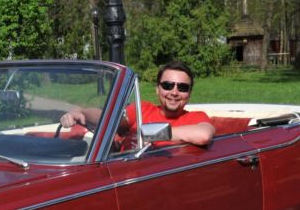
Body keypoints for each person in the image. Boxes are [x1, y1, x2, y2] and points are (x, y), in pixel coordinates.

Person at [59, 60, 215, 147]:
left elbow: (204, 135)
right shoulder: (142, 109)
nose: (174, 92)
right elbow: (108, 118)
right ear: (157, 89)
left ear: (189, 93)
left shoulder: (195, 118)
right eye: (167, 85)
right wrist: (81, 112)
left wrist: (150, 133)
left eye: (182, 87)